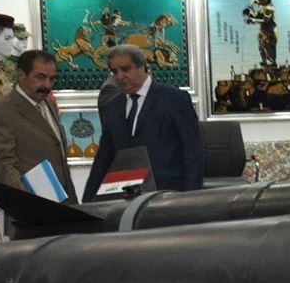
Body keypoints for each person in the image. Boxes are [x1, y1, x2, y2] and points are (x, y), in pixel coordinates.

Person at [84, 44, 204, 200]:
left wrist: (191, 197)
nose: (120, 76)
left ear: (142, 67)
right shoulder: (112, 106)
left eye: (125, 69)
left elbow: (193, 151)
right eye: (114, 71)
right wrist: (88, 201)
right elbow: (104, 157)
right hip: (124, 197)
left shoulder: (174, 99)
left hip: (168, 194)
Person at [0, 49, 79, 203]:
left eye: (52, 79)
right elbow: (4, 167)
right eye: (41, 77)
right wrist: (29, 205)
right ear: (21, 75)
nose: (47, 85)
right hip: (30, 209)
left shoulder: (49, 104)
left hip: (65, 205)